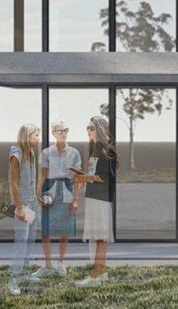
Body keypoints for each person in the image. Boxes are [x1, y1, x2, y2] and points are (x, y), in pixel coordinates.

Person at [72, 114, 118, 286]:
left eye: (91, 128)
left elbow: (104, 178)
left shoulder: (105, 149)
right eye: (87, 128)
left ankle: (95, 276)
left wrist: (85, 178)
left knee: (99, 237)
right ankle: (100, 273)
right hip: (93, 198)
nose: (88, 131)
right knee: (97, 237)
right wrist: (83, 178)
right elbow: (94, 174)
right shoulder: (95, 148)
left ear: (99, 129)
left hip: (100, 199)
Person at [35, 120, 81, 279]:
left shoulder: (74, 152)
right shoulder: (46, 153)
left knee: (65, 229)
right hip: (50, 189)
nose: (64, 133)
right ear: (53, 133)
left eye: (66, 130)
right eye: (60, 131)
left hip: (67, 188)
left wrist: (75, 199)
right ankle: (48, 265)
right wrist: (37, 195)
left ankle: (61, 264)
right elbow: (42, 176)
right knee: (46, 230)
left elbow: (77, 178)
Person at [6, 124, 40, 295]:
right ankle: (13, 278)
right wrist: (19, 207)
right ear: (27, 136)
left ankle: (24, 272)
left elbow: (31, 181)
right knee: (21, 242)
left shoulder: (31, 154)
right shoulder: (16, 155)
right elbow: (13, 183)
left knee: (30, 239)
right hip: (23, 205)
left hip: (32, 203)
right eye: (36, 135)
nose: (38, 138)